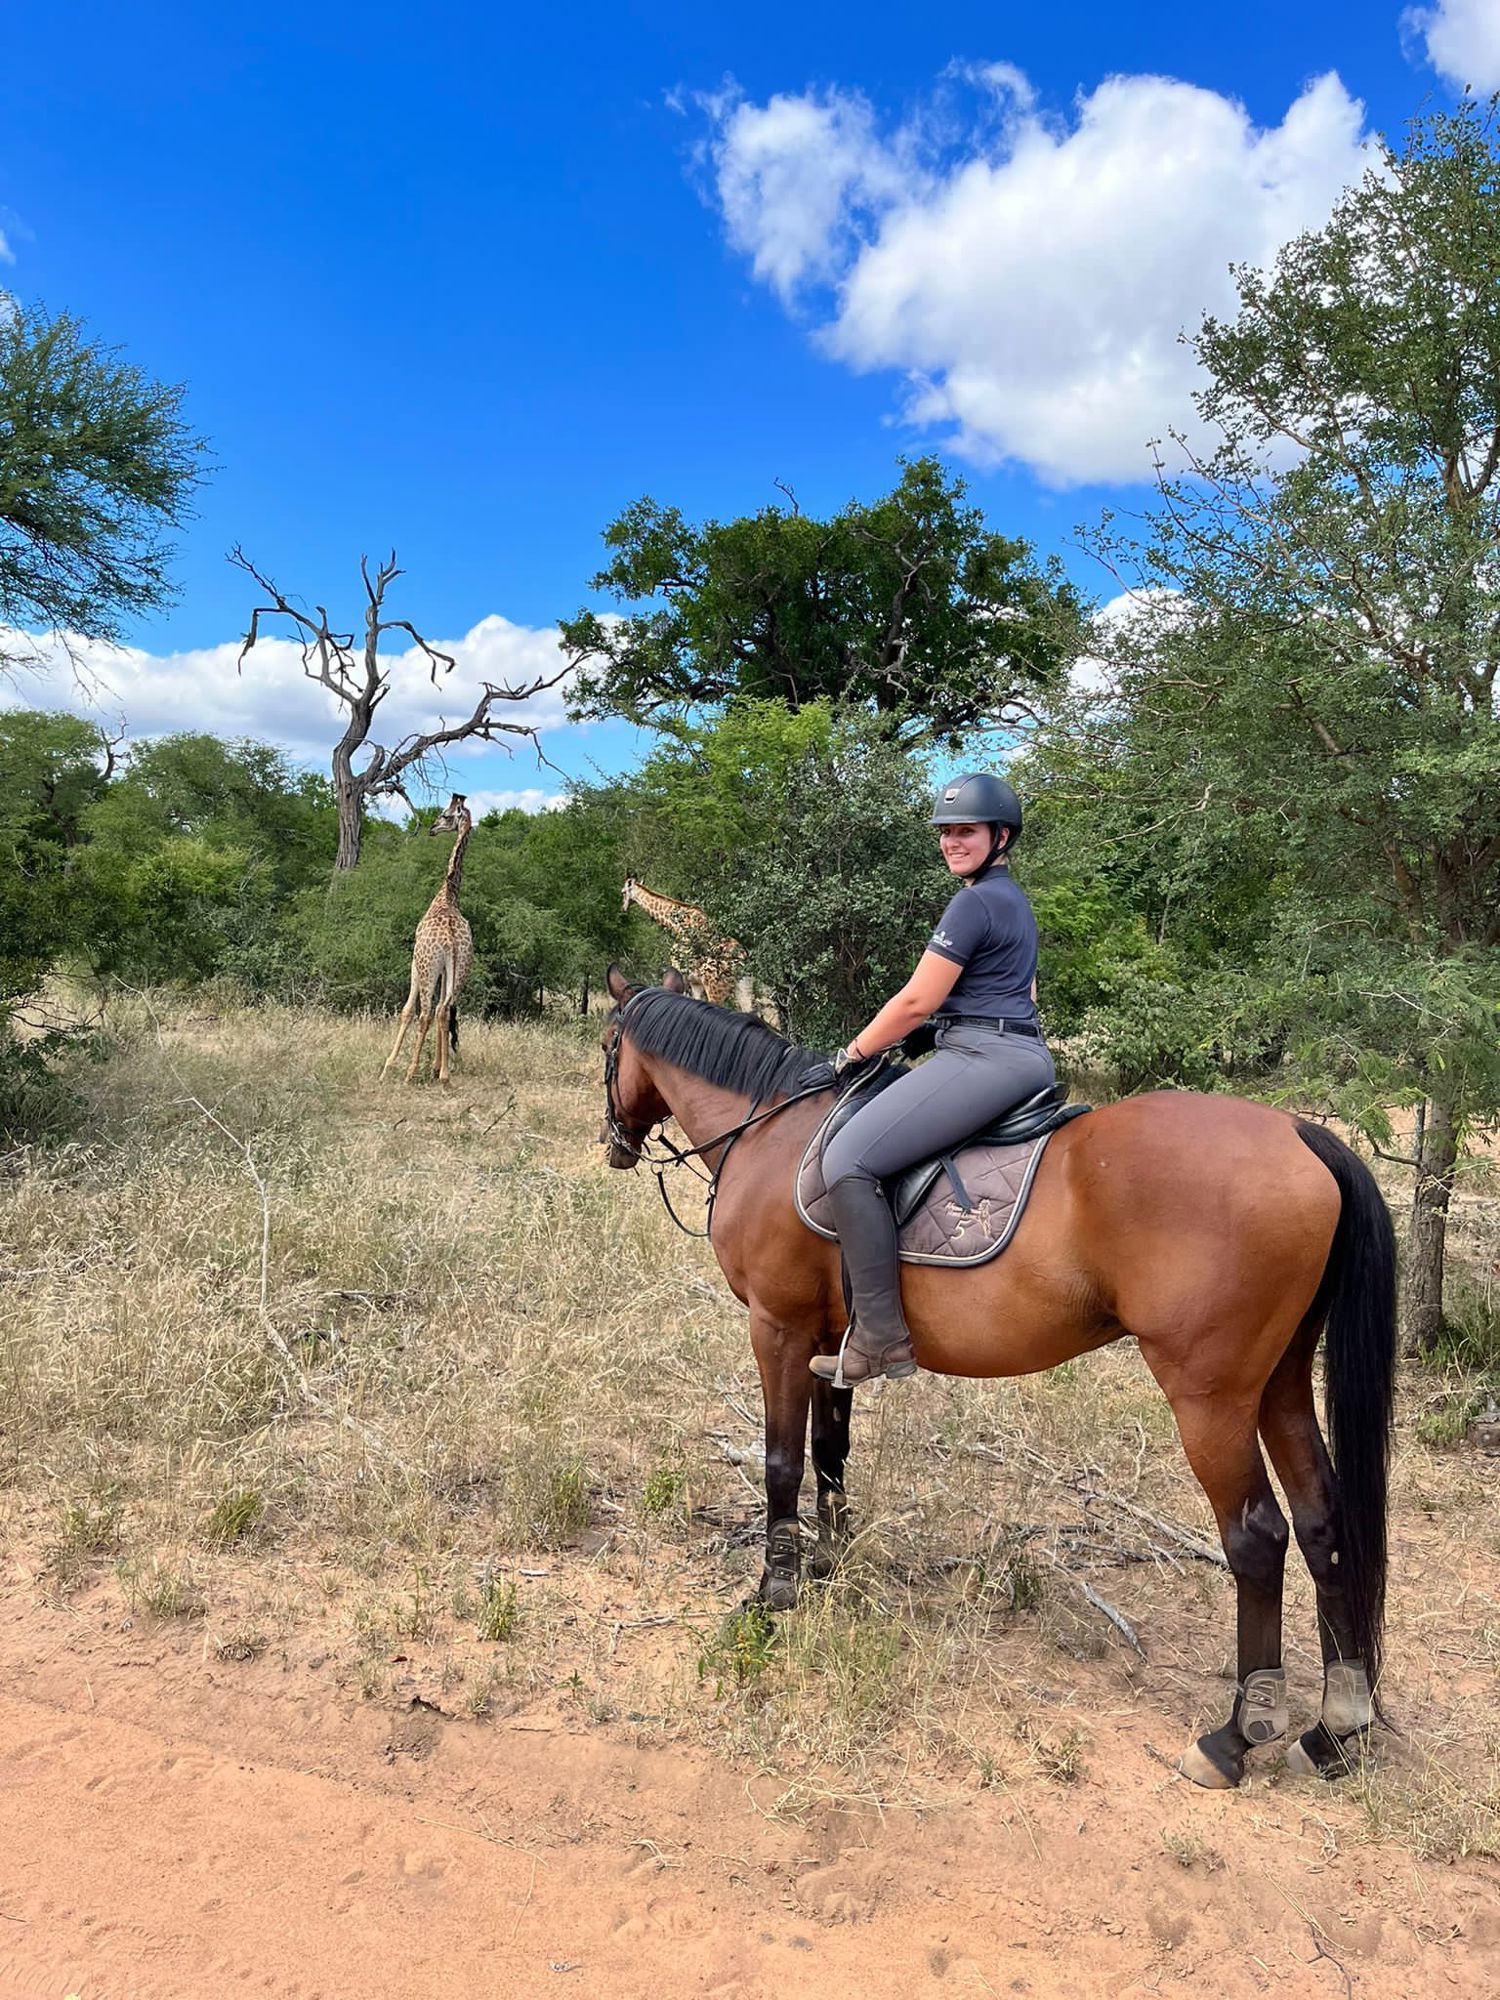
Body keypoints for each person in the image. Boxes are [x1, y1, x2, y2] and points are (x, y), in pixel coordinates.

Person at [810, 772, 1056, 1387]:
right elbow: (1019, 992)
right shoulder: (1014, 901)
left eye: (965, 831)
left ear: (1001, 836)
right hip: (1014, 1050)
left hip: (985, 1059)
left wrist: (855, 1051)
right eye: (945, 832)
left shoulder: (973, 902)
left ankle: (880, 1340)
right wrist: (943, 1029)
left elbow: (917, 999)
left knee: (847, 1161)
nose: (952, 842)